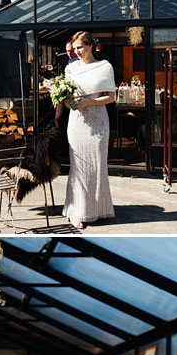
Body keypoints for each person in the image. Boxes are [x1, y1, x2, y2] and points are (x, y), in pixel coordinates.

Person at [62, 30, 116, 229]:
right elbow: (66, 95)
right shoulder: (71, 69)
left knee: (97, 165)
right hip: (77, 122)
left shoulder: (104, 67)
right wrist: (68, 103)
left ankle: (97, 209)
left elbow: (111, 97)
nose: (76, 52)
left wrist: (89, 101)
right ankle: (76, 211)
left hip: (98, 122)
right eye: (74, 48)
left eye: (80, 48)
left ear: (90, 46)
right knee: (79, 166)